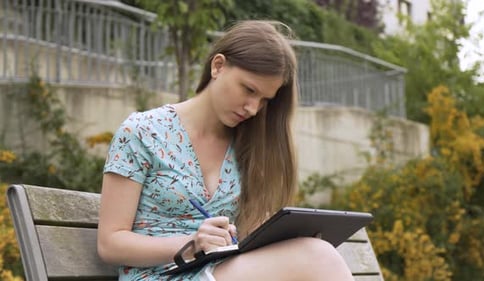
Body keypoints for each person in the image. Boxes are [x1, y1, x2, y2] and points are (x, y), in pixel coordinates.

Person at [97, 20, 354, 281]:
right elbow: (110, 243)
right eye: (249, 89)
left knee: (315, 254)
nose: (253, 108)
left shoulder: (249, 148)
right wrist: (193, 242)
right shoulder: (142, 131)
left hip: (223, 272)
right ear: (218, 66)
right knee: (319, 256)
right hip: (160, 276)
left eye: (264, 100)